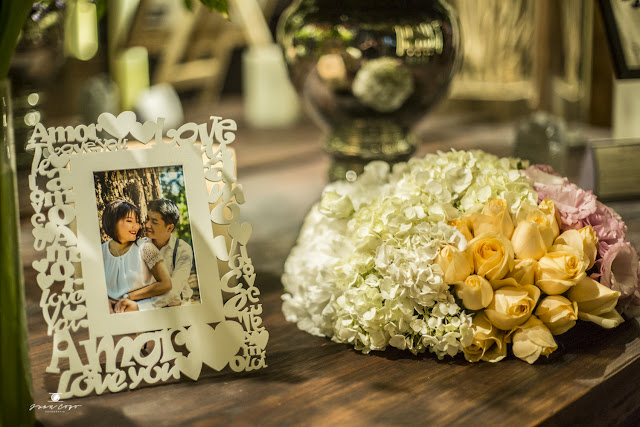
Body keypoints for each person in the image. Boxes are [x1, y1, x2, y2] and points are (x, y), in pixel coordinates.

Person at [101, 200, 172, 313]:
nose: (136, 226)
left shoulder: (145, 247)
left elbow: (166, 284)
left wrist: (129, 298)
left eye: (137, 222)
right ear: (112, 222)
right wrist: (105, 301)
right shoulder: (101, 252)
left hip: (147, 310)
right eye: (129, 221)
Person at [145, 199, 195, 307]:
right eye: (147, 219)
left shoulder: (182, 249)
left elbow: (175, 287)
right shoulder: (141, 246)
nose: (147, 225)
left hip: (177, 307)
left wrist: (147, 306)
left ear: (169, 227)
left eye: (154, 222)